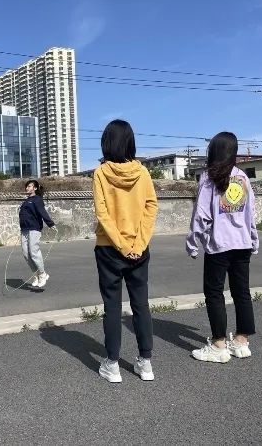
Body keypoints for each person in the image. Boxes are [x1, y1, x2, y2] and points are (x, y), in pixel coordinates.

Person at [93, 120, 158, 383]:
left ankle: (112, 365)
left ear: (106, 142)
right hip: (138, 249)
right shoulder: (142, 172)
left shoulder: (101, 172)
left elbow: (102, 212)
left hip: (109, 248)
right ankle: (145, 363)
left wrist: (121, 244)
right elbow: (151, 207)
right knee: (141, 304)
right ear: (130, 142)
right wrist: (138, 244)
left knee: (112, 306)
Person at [186, 131, 259, 363]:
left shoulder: (209, 177)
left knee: (214, 293)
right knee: (242, 292)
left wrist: (192, 242)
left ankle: (219, 345)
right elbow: (250, 213)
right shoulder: (242, 177)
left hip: (219, 245)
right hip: (242, 243)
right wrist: (254, 239)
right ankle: (241, 342)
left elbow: (201, 215)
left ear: (213, 151)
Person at [19, 179, 57, 288]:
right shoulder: (27, 201)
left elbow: (42, 212)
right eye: (27, 186)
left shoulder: (37, 200)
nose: (27, 188)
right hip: (25, 230)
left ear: (35, 188)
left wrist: (50, 224)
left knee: (34, 252)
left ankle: (42, 274)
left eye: (30, 186)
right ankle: (36, 275)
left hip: (34, 229)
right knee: (26, 254)